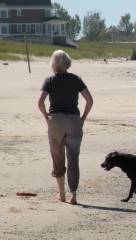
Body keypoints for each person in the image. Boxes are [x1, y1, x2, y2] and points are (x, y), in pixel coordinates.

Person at [38, 50, 94, 205]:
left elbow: (40, 102)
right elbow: (89, 100)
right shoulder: (76, 79)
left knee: (58, 157)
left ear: (55, 64)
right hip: (74, 121)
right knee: (73, 157)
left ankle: (61, 194)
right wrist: (82, 118)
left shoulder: (49, 80)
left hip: (56, 120)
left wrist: (47, 118)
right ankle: (74, 195)